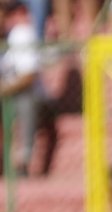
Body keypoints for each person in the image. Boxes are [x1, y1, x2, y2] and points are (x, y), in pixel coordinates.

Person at [0, 0, 56, 177]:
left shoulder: (21, 34)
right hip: (5, 99)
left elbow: (28, 78)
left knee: (25, 99)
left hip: (33, 100)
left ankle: (22, 161)